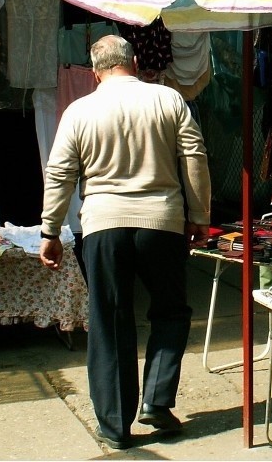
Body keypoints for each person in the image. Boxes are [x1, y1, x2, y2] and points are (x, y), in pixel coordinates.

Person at [39, 34, 211, 450]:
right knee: (171, 311)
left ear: (96, 70)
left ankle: (115, 427)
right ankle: (157, 399)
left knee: (110, 320)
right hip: (162, 222)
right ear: (133, 63)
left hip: (102, 226)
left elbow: (60, 173)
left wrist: (50, 230)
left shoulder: (79, 111)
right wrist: (200, 215)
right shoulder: (168, 100)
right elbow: (195, 156)